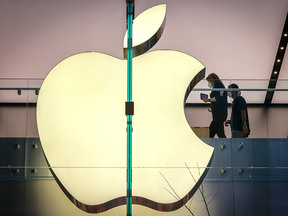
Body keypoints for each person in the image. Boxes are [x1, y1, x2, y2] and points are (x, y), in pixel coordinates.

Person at [202, 73, 228, 138]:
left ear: (212, 80)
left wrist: (208, 100)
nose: (209, 83)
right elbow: (220, 100)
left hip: (219, 112)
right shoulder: (219, 85)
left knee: (219, 130)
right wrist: (213, 107)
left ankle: (224, 144)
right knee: (213, 129)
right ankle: (212, 143)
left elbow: (219, 98)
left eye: (209, 81)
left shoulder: (217, 85)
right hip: (218, 111)